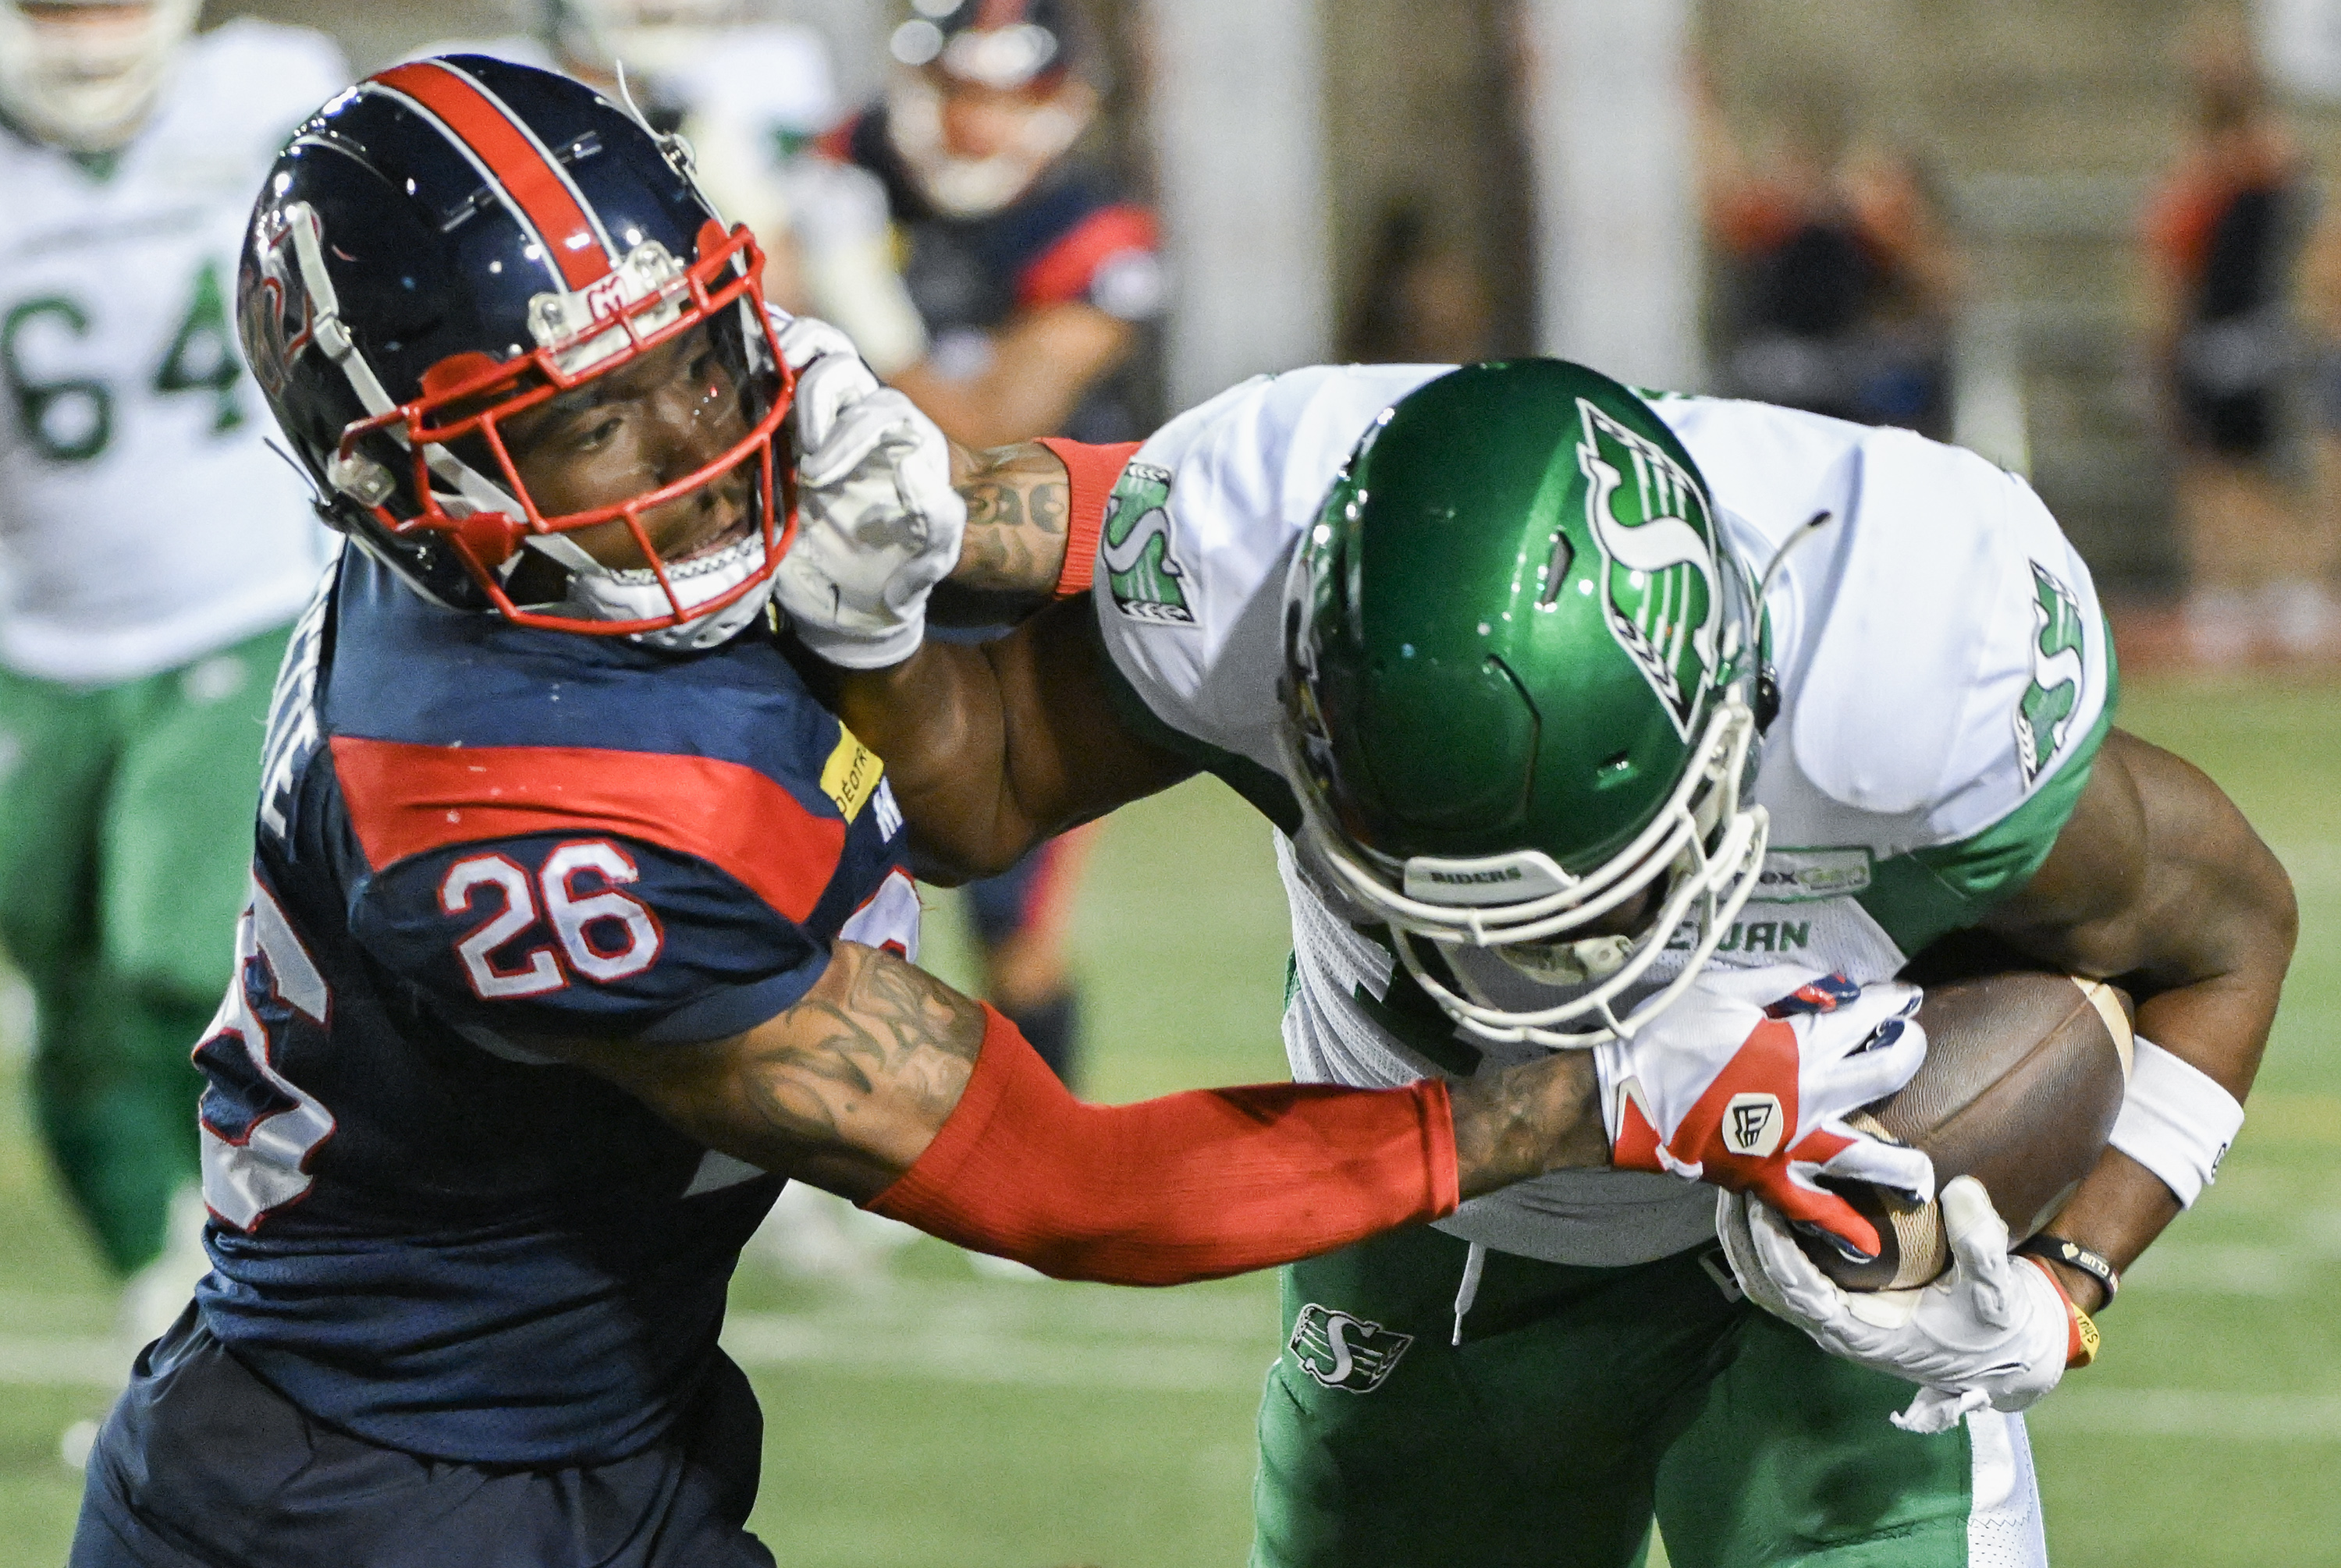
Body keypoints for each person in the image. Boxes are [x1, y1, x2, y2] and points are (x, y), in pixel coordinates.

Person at [66, 59, 1924, 1566]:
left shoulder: (619, 522)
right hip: (372, 1497)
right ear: (404, 475)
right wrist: (1577, 1104)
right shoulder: (531, 834)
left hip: (590, 1436)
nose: (703, 458)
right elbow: (1065, 1183)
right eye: (593, 426)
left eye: (698, 361)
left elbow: (1227, 545)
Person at [782, 344, 2297, 1565]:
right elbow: (976, 802)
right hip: (1445, 1208)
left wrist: (2063, 1282)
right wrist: (868, 627)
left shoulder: (1910, 651)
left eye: (1602, 897)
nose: (1552, 964)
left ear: (1742, 713)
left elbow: (2228, 936)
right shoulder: (1246, 557)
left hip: (1842, 1229)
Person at [0, 0, 345, 1357]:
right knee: (66, 993)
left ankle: (259, 1251)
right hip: (34, 639)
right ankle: (156, 1272)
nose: (90, 36)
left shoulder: (270, 95)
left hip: (239, 600)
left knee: (171, 948)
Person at [821, 0, 1167, 1089]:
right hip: (864, 590)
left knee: (1012, 911)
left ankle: (1041, 1149)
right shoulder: (853, 161)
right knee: (821, 866)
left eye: (1005, 97)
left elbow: (988, 423)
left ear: (1058, 104)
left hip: (1036, 616)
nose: (976, 125)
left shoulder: (1094, 228)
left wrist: (859, 315)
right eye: (961, 92)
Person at [2143, 22, 2328, 663]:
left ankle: (2285, 581)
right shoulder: (2196, 180)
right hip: (2209, 337)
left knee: (2273, 468)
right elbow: (2169, 265)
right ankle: (2222, 588)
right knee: (2212, 471)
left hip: (2263, 332)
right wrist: (2165, 347)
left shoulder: (2270, 165)